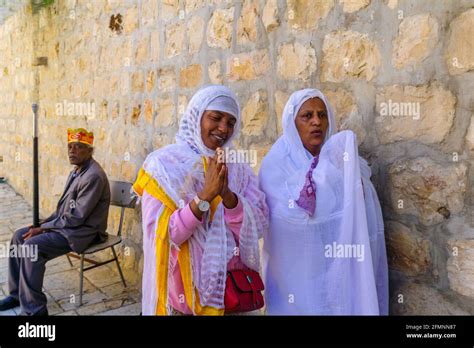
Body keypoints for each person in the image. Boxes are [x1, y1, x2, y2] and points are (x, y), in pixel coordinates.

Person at [134, 85, 269, 315]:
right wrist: (204, 197)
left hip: (233, 295)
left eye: (231, 122)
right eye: (215, 118)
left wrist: (228, 197)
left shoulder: (238, 169)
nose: (223, 128)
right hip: (185, 300)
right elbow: (166, 236)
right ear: (196, 117)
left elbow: (258, 225)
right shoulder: (163, 167)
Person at [259, 88, 388, 315]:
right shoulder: (276, 164)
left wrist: (338, 172)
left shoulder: (348, 163)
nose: (316, 122)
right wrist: (329, 177)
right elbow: (287, 219)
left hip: (340, 272)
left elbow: (360, 209)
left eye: (322, 115)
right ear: (292, 123)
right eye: (307, 116)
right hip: (296, 279)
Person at [0, 128, 110, 315]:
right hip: (67, 228)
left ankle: (36, 309)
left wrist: (43, 230)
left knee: (32, 246)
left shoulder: (93, 176)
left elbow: (76, 217)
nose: (72, 151)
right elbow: (62, 211)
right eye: (70, 146)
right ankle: (17, 294)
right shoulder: (77, 171)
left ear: (90, 151)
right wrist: (41, 224)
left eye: (79, 147)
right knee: (19, 236)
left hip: (84, 233)